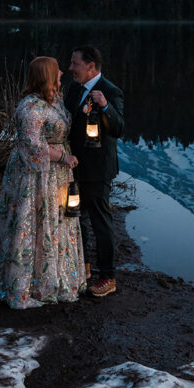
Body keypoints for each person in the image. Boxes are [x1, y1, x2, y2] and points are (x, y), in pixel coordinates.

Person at [0, 56, 86, 308]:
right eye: (57, 70)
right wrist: (64, 157)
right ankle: (27, 282)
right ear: (47, 76)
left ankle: (57, 274)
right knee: (34, 222)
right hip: (36, 177)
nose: (62, 72)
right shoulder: (29, 107)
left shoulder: (55, 101)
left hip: (58, 175)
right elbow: (32, 146)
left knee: (56, 222)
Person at [65, 45, 125, 298]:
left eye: (75, 63)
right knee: (76, 218)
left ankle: (108, 277)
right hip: (74, 166)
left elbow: (119, 129)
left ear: (91, 66)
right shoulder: (75, 89)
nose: (70, 68)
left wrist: (105, 107)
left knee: (101, 223)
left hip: (98, 170)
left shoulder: (111, 91)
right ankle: (84, 266)